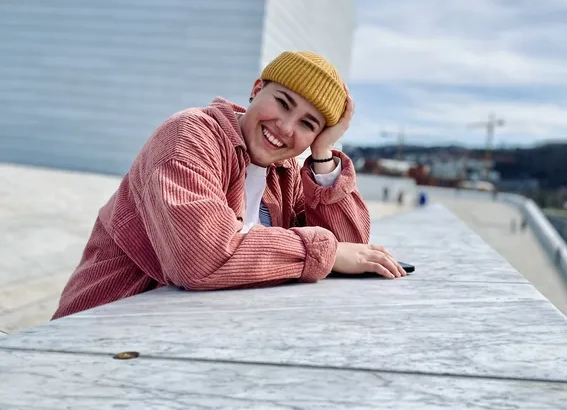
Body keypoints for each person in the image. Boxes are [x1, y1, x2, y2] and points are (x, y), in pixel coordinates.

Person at [53, 51, 407, 319]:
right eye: (283, 103)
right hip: (100, 329)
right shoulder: (189, 136)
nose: (285, 128)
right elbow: (199, 258)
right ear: (257, 90)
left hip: (179, 334)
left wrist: (322, 154)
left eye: (308, 124)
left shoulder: (283, 171)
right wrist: (323, 251)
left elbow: (352, 250)